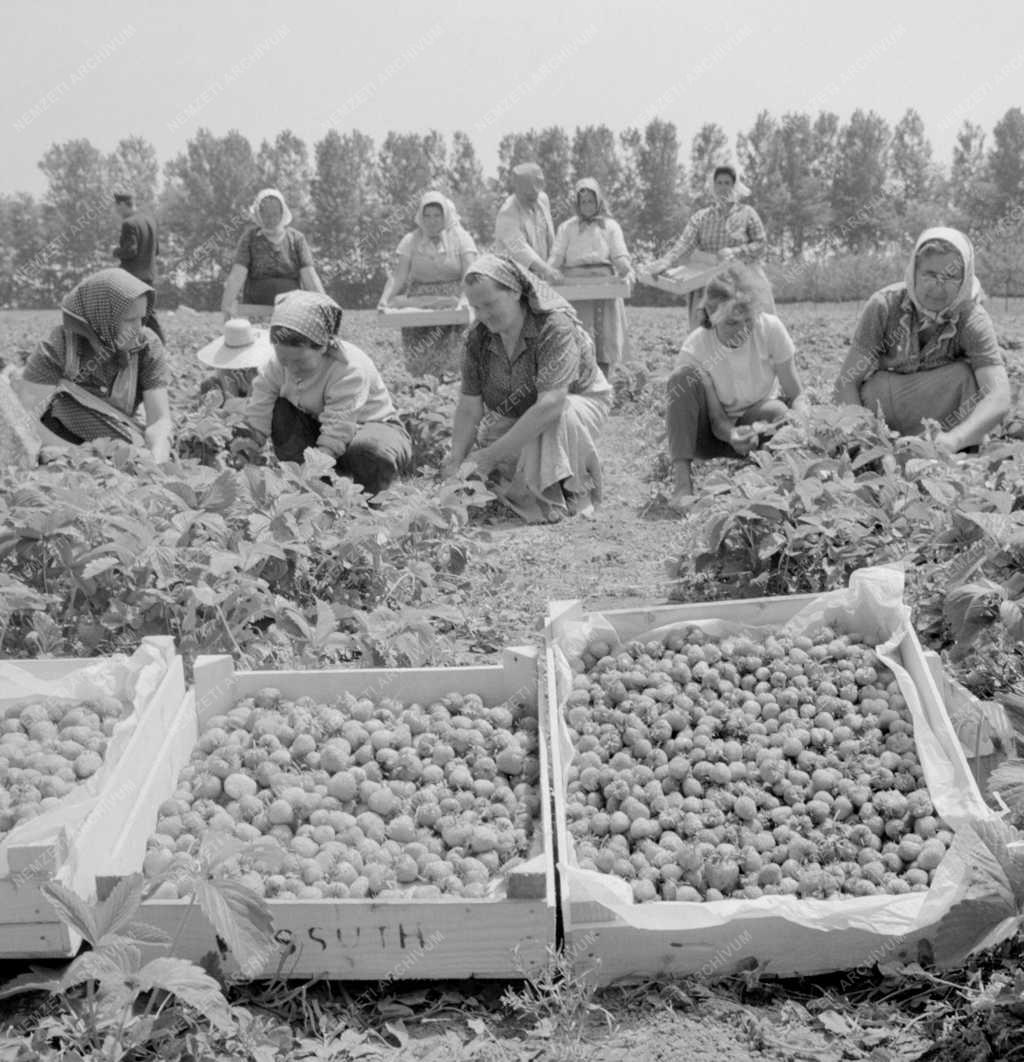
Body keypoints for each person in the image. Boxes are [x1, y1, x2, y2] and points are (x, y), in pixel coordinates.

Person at [442, 254, 612, 524]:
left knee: (559, 416)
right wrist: (455, 460)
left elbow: (552, 402)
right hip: (520, 409)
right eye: (476, 307)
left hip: (577, 401)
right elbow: (469, 406)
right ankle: (537, 480)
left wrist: (489, 455)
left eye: (490, 304)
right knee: (504, 458)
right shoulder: (477, 338)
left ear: (515, 291)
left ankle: (577, 489)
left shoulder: (553, 327)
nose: (484, 315)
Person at [834, 227, 1011, 452]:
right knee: (872, 389)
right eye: (929, 274)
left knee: (967, 376)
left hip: (947, 424)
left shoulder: (971, 318)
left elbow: (998, 395)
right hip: (885, 414)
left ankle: (958, 448)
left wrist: (954, 440)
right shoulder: (885, 307)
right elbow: (846, 381)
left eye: (950, 276)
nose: (938, 285)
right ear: (913, 272)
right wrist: (863, 435)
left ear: (964, 280)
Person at [242, 291, 411, 495]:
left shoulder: (349, 369)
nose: (291, 368)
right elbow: (262, 401)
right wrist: (253, 440)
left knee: (367, 450)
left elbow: (338, 427)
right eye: (284, 360)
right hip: (323, 431)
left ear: (323, 347)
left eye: (300, 362)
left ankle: (371, 502)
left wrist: (315, 467)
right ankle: (316, 493)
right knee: (281, 414)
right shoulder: (278, 365)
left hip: (372, 430)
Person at [665, 264, 808, 504]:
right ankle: (682, 486)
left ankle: (770, 481)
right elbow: (718, 420)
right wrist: (731, 434)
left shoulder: (770, 329)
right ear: (712, 316)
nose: (742, 331)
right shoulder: (696, 348)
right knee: (681, 379)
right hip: (711, 434)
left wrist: (802, 428)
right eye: (732, 323)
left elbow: (797, 395)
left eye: (748, 321)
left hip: (757, 426)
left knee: (778, 411)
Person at [17, 269, 172, 463]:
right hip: (58, 438)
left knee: (149, 450)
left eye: (141, 318)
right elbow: (28, 419)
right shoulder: (59, 344)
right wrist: (83, 457)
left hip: (116, 435)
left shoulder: (147, 346)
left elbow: (159, 420)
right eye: (129, 320)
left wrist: (157, 460)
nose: (138, 328)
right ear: (101, 318)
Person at [648, 164, 773, 329]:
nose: (723, 188)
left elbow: (761, 244)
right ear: (713, 187)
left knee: (746, 326)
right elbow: (684, 243)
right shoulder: (701, 217)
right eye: (719, 183)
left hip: (742, 279)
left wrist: (736, 251)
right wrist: (666, 262)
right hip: (707, 279)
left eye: (727, 183)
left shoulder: (747, 213)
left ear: (734, 186)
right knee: (708, 328)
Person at [377, 190, 478, 369]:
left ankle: (448, 389)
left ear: (445, 216)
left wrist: (464, 300)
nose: (432, 221)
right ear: (421, 217)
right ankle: (420, 389)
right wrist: (385, 299)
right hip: (419, 301)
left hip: (453, 301)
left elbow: (469, 273)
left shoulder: (461, 238)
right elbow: (399, 275)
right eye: (428, 216)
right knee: (420, 353)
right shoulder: (410, 240)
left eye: (437, 216)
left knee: (452, 353)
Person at [549, 178, 635, 376]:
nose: (587, 206)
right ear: (577, 205)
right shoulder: (567, 227)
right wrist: (549, 271)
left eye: (591, 201)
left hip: (604, 283)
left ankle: (604, 381)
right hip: (574, 285)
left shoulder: (610, 226)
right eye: (583, 202)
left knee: (603, 336)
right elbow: (557, 255)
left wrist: (625, 268)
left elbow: (619, 254)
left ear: (599, 201)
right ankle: (579, 382)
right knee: (579, 334)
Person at [221, 189, 325, 319]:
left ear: (282, 213)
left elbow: (310, 276)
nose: (271, 219)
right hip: (255, 312)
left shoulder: (297, 239)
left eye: (275, 213)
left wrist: (325, 308)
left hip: (291, 313)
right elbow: (237, 275)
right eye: (265, 214)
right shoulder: (250, 238)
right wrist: (226, 307)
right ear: (258, 214)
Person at [493, 163, 560, 284]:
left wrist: (552, 266)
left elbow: (549, 238)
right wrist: (545, 270)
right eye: (528, 195)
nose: (534, 198)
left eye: (536, 193)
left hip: (542, 277)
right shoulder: (507, 213)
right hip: (513, 280)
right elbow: (519, 248)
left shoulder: (543, 200)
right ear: (517, 190)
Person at [112, 191, 164, 343]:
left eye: (116, 207)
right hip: (149, 276)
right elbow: (157, 250)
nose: (115, 211)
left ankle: (126, 350)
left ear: (122, 205)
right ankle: (161, 346)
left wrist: (115, 251)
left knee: (127, 315)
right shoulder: (150, 221)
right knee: (148, 314)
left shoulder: (129, 224)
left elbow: (131, 250)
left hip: (132, 279)